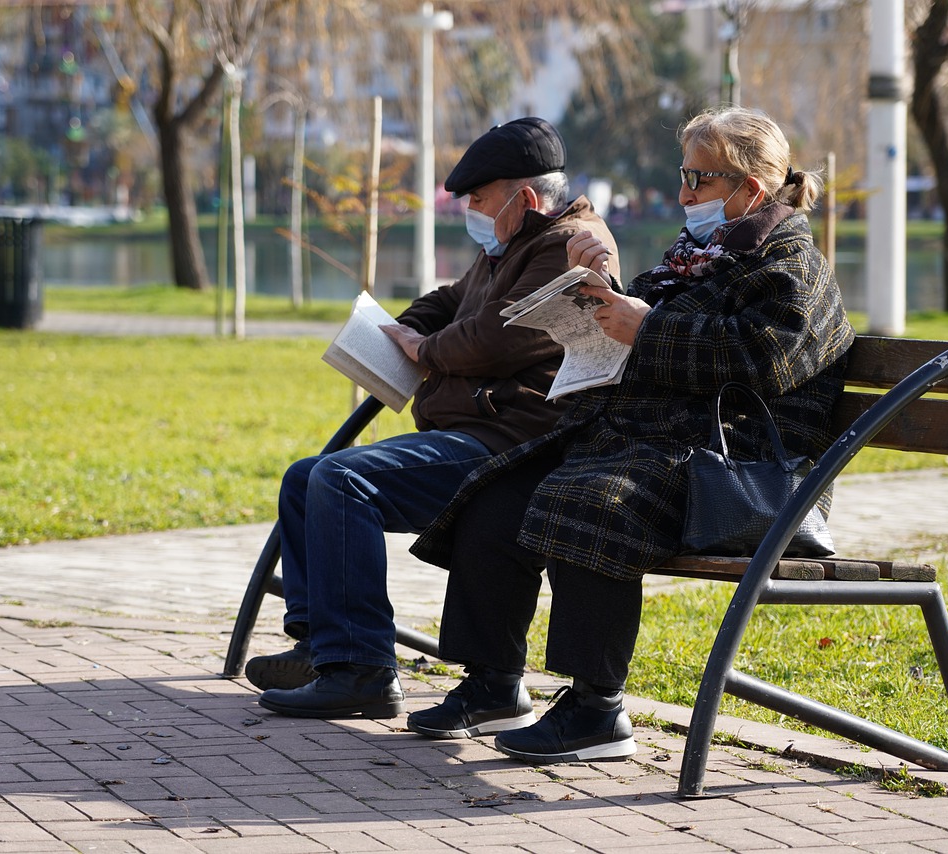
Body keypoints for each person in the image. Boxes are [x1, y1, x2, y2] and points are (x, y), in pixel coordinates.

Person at [404, 106, 856, 762]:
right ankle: (492, 681)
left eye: (700, 180)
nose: (684, 195)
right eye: (684, 175)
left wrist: (644, 328)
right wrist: (594, 293)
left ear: (750, 190)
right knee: (496, 493)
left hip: (733, 465)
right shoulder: (694, 255)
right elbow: (634, 321)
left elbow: (766, 358)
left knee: (588, 499)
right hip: (658, 443)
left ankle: (597, 709)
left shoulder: (791, 261)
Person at [250, 117, 621, 720]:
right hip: (473, 430)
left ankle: (361, 669)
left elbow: (504, 335)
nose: (470, 212)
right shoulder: (510, 243)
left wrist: (427, 351)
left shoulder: (567, 246)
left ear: (523, 198)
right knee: (304, 476)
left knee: (344, 480)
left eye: (478, 199)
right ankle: (323, 644)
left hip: (510, 440)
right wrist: (406, 327)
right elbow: (451, 301)